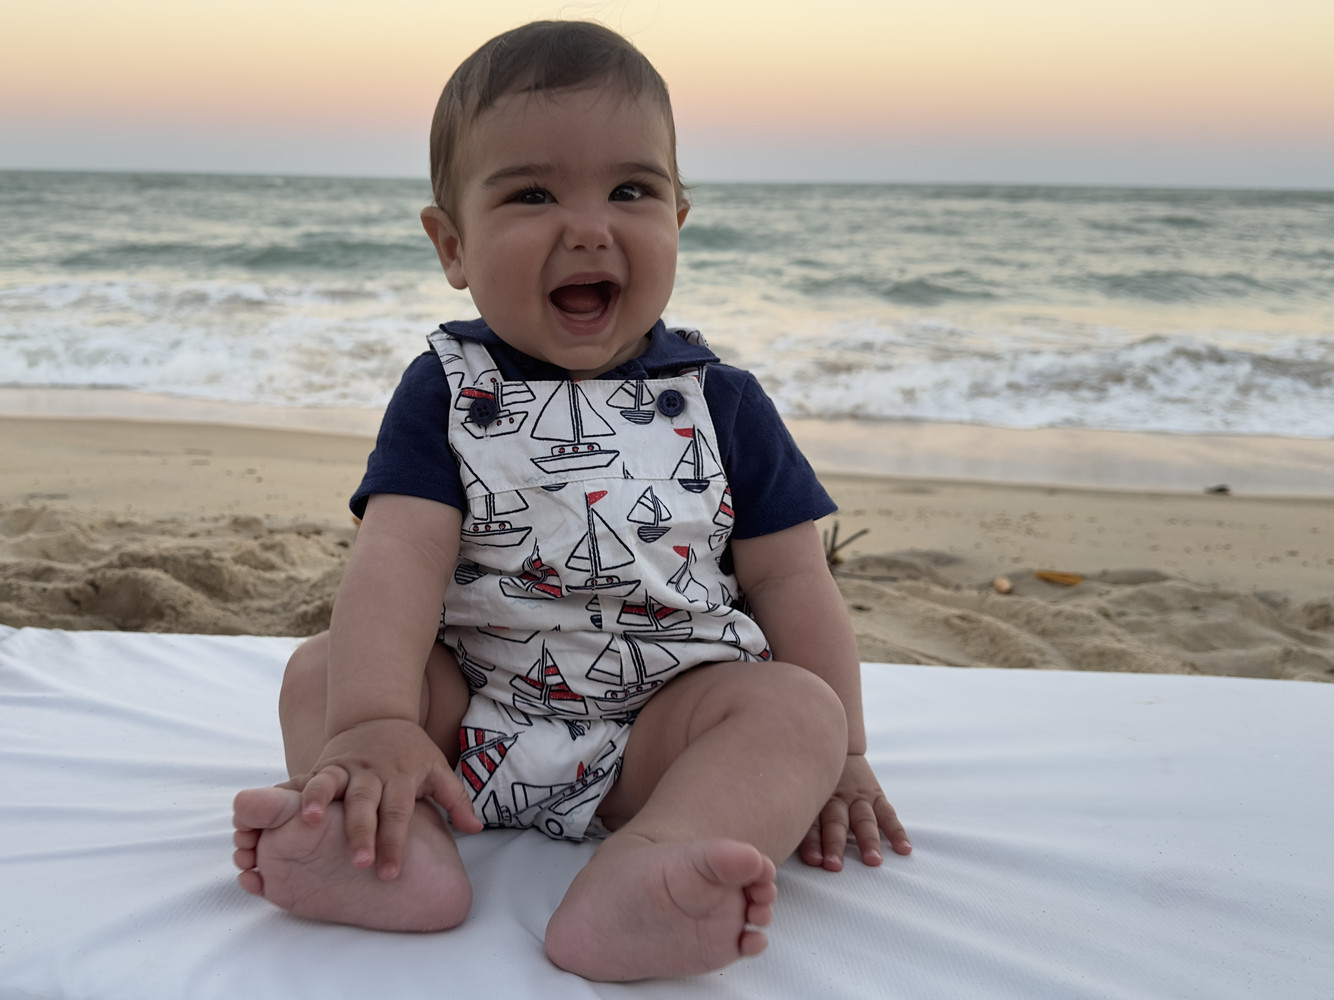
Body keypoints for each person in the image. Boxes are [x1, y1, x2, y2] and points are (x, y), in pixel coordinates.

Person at [231, 19, 910, 982]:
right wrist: (377, 721)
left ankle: (654, 864)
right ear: (452, 245)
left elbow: (794, 581)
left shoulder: (721, 402)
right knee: (322, 674)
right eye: (533, 194)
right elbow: (398, 558)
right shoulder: (446, 390)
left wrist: (845, 755)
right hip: (466, 722)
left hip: (661, 739)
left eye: (631, 190)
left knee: (798, 710)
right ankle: (391, 846)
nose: (589, 226)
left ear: (678, 221)